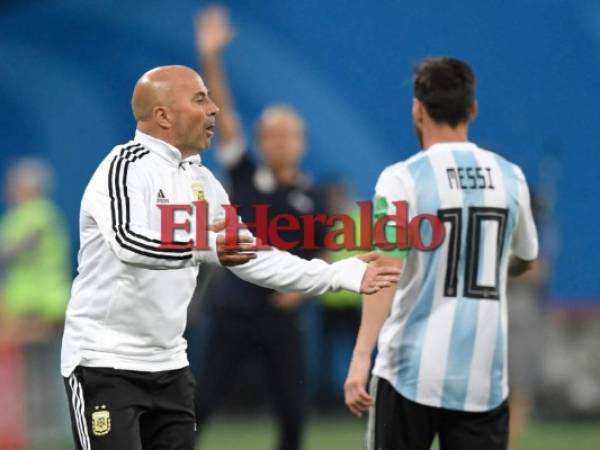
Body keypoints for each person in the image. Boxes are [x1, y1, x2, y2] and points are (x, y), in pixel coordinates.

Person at [60, 65, 400, 450]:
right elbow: (128, 242)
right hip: (105, 363)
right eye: (200, 99)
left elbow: (251, 255)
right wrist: (206, 247)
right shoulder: (124, 168)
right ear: (163, 115)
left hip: (169, 366)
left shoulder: (201, 182)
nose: (214, 110)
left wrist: (339, 274)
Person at [344, 57, 539, 450]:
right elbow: (525, 258)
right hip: (483, 376)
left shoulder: (400, 179)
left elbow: (386, 268)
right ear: (473, 109)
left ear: (417, 110)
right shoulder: (510, 176)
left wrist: (362, 354)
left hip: (409, 370)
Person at [193, 8, 327, 450]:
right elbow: (225, 113)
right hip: (235, 308)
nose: (280, 141)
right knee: (203, 402)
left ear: (302, 142)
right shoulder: (245, 174)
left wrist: (302, 288)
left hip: (282, 318)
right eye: (272, 134)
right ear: (261, 139)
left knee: (292, 412)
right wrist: (211, 57)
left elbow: (321, 252)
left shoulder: (315, 197)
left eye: (289, 135)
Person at [0, 158, 71, 449]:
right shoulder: (16, 216)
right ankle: (40, 433)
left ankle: (58, 433)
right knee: (32, 374)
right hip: (25, 306)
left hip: (44, 306)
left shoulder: (40, 214)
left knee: (50, 372)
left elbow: (23, 246)